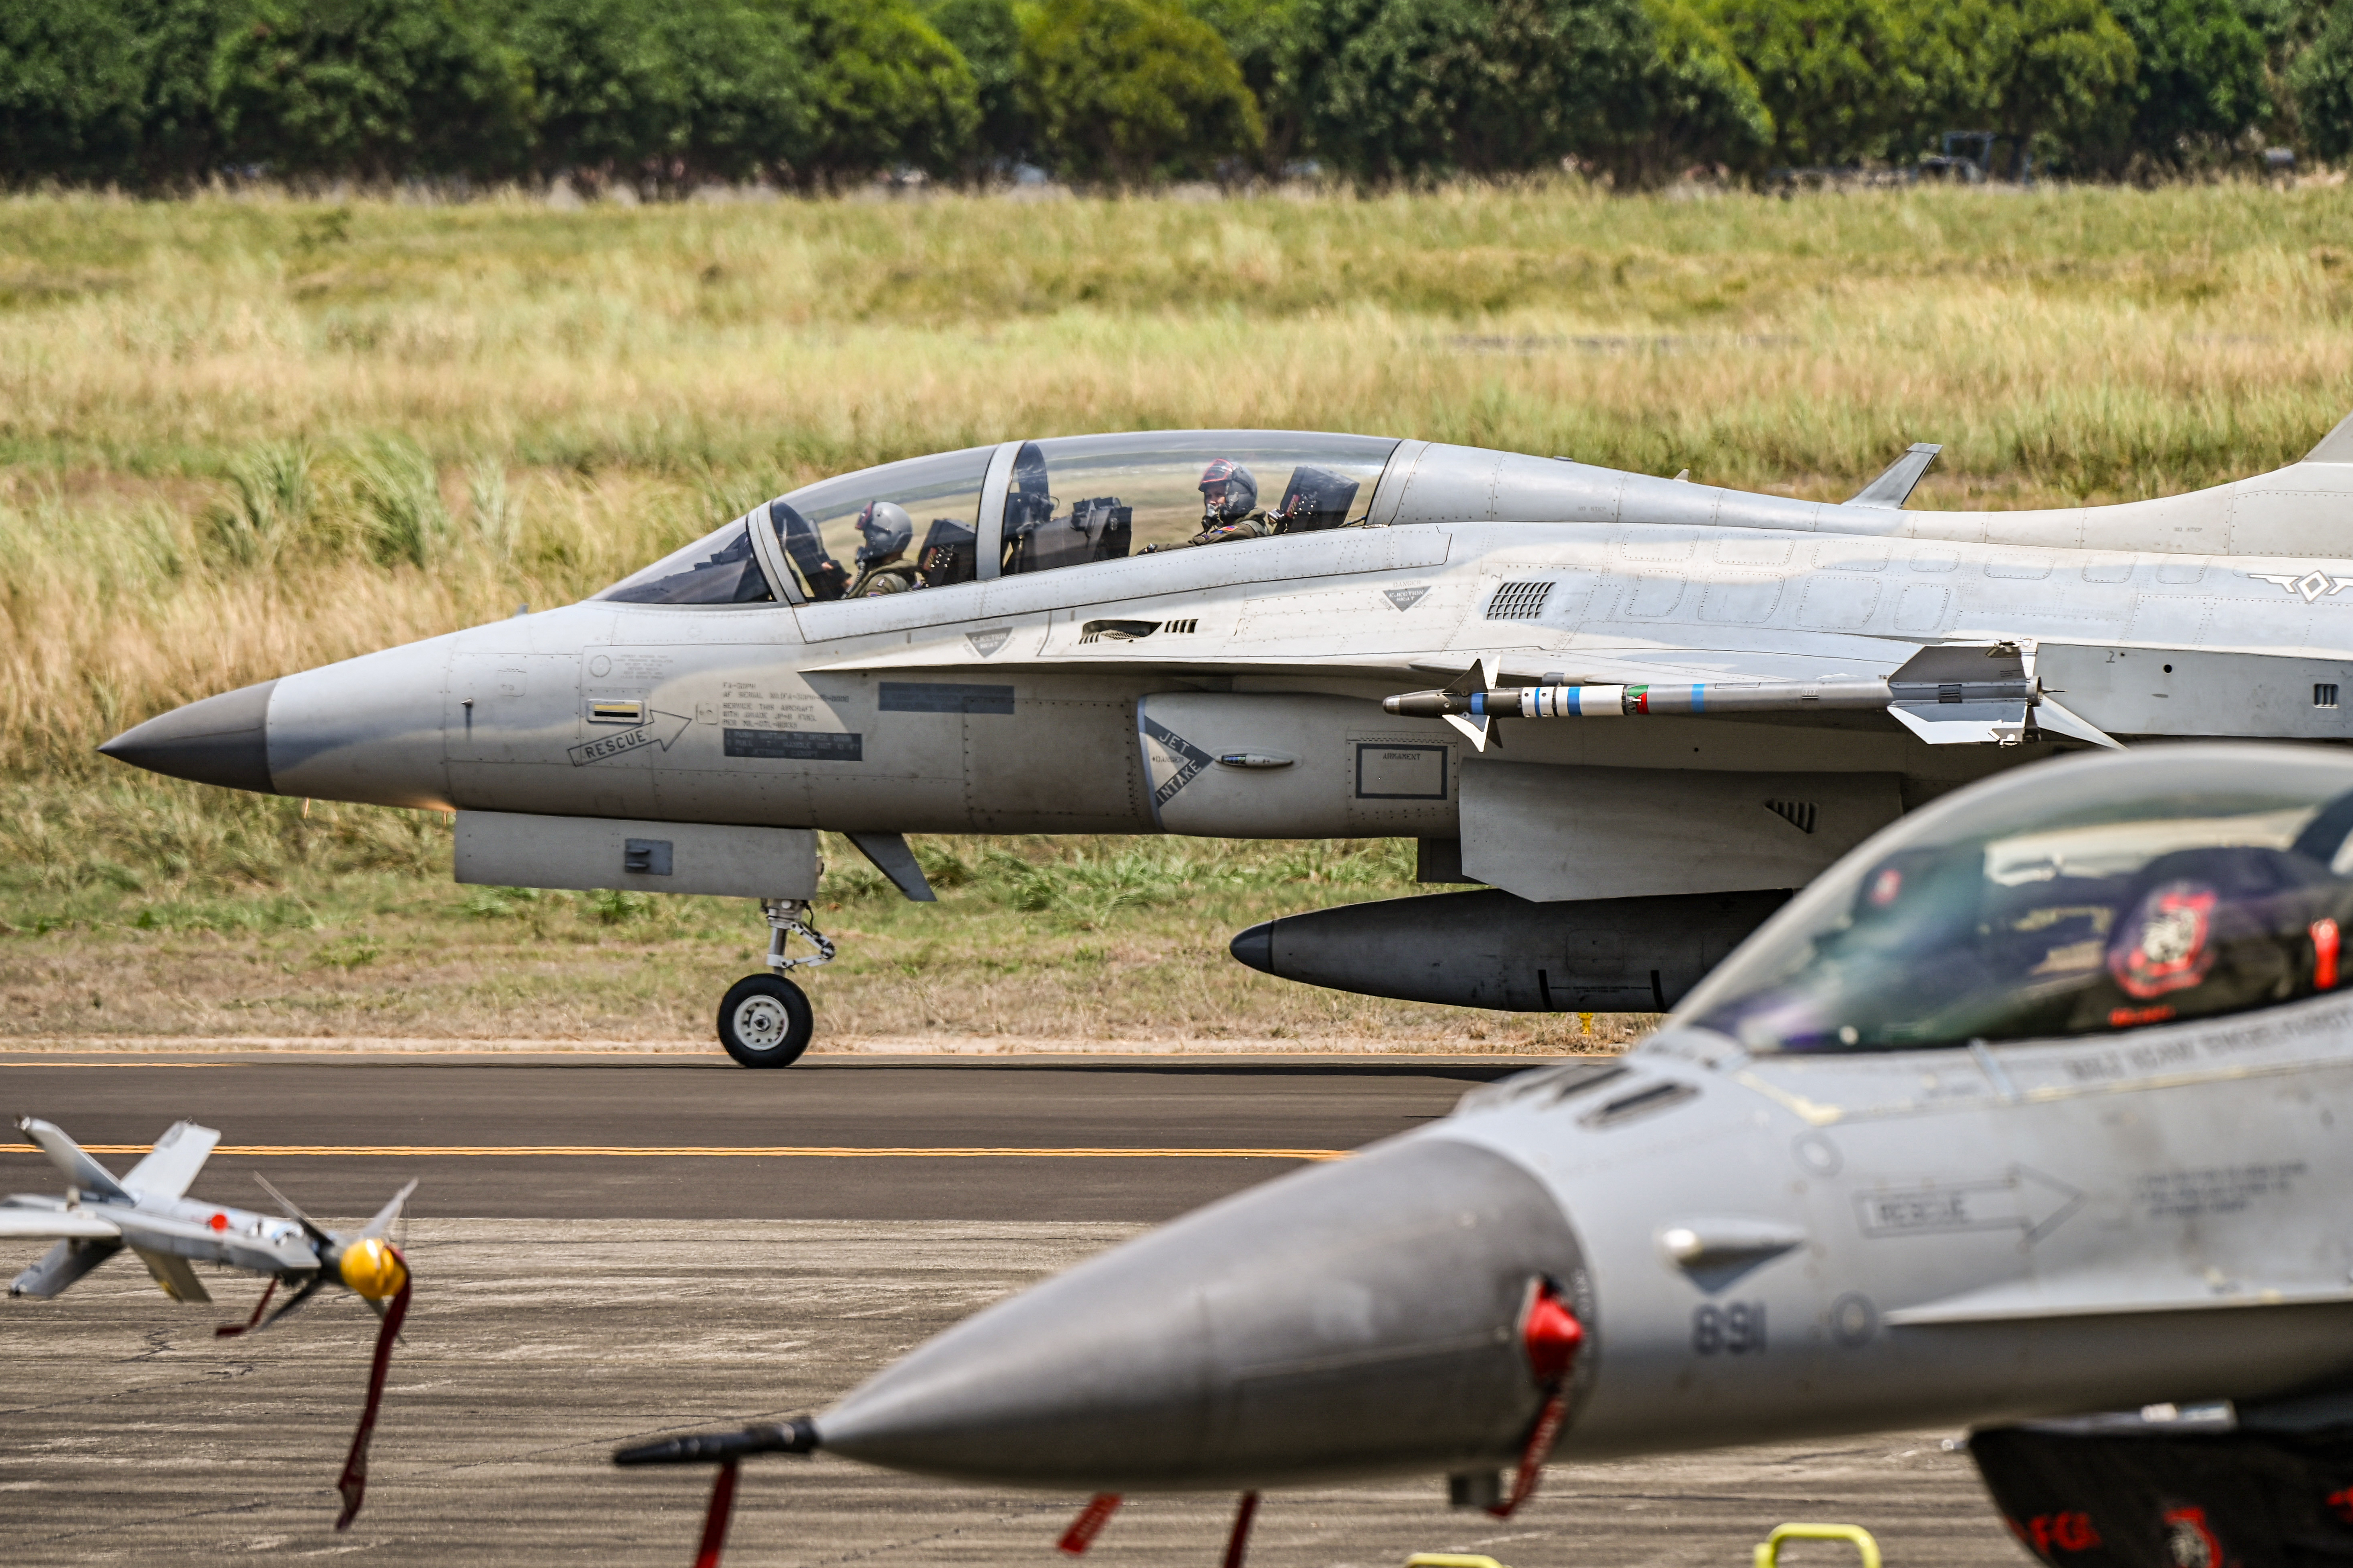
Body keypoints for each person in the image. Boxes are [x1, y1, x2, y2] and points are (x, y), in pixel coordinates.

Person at [1143, 459, 1271, 553]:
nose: (1212, 501)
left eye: (1219, 494)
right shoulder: (1249, 525)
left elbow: (1198, 546)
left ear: (1238, 496)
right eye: (1209, 496)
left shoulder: (1243, 531)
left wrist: (1155, 550)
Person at [846, 501, 924, 596]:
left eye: (868, 540)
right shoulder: (904, 573)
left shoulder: (880, 585)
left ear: (882, 540)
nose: (866, 546)